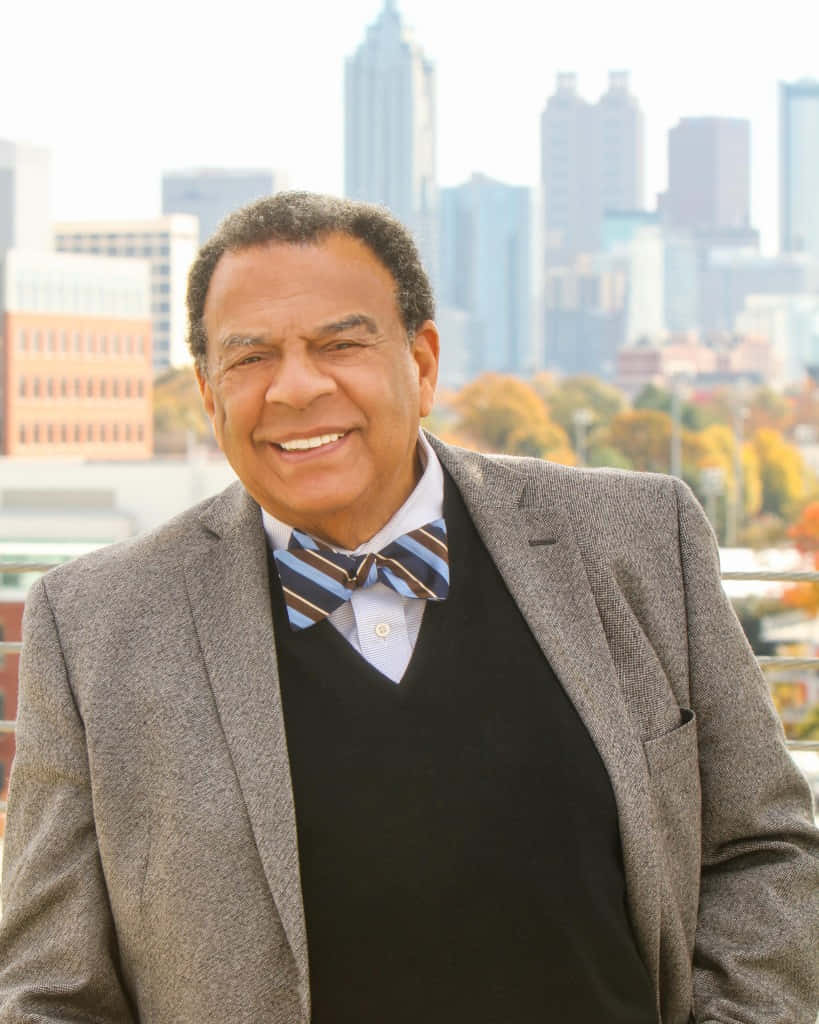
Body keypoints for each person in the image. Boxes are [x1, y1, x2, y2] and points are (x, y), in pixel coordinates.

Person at [0, 192, 816, 1024]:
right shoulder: (94, 626)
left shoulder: (638, 539)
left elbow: (762, 849)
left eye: (339, 344)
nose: (295, 387)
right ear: (209, 395)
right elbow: (50, 991)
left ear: (422, 364)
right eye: (250, 358)